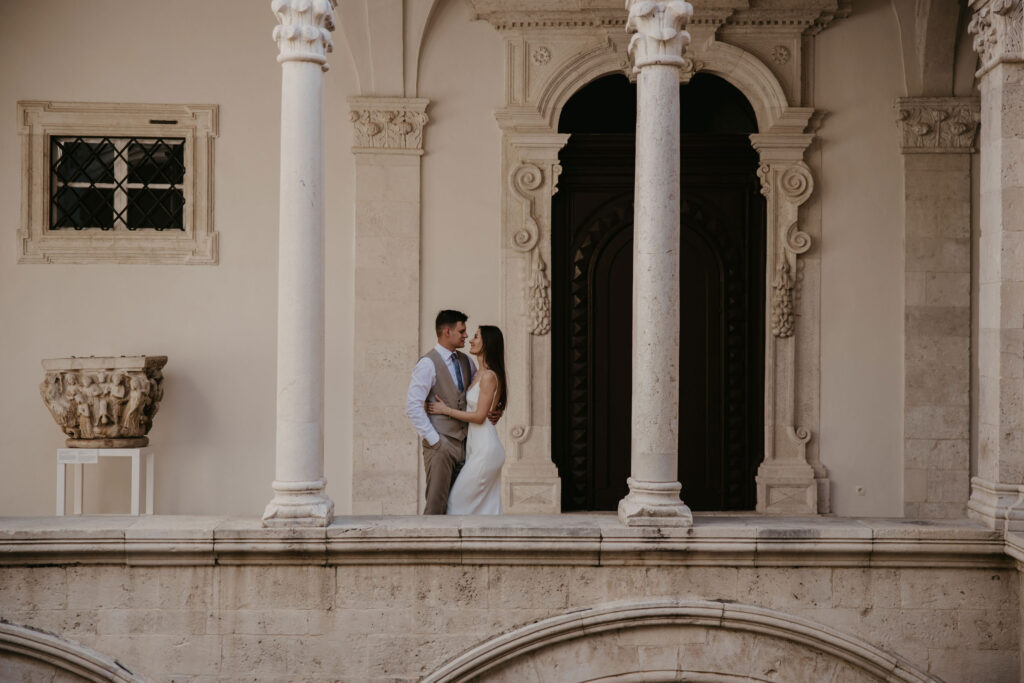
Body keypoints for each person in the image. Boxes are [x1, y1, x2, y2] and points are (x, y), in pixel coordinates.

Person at [426, 325, 507, 515]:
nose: (470, 339)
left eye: (476, 336)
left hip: (486, 450)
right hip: (476, 448)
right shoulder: (475, 371)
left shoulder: (488, 376)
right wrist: (498, 409)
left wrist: (446, 410)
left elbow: (479, 417)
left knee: (456, 503)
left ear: (487, 343)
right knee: (484, 509)